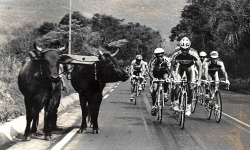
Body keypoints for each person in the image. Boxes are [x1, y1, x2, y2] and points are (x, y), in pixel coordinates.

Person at [170, 37, 202, 116]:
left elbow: (200, 66)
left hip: (190, 68)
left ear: (189, 48)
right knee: (177, 83)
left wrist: (199, 80)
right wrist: (173, 77)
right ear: (180, 48)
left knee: (190, 87)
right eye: (182, 49)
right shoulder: (176, 53)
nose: (184, 51)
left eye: (186, 49)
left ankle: (188, 106)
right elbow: (172, 66)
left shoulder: (193, 53)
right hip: (180, 67)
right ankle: (176, 102)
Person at [149, 48, 171, 116]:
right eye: (158, 56)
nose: (160, 58)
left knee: (166, 78)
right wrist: (153, 78)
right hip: (155, 74)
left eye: (161, 56)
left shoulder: (167, 60)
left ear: (163, 55)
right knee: (155, 89)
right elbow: (150, 72)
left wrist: (169, 78)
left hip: (164, 73)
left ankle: (165, 93)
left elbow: (170, 71)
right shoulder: (153, 61)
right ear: (156, 56)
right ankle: (153, 105)